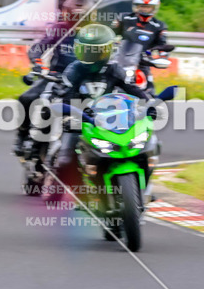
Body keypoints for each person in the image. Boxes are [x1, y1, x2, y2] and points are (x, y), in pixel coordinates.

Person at [51, 24, 156, 185]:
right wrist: (68, 116)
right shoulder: (74, 70)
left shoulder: (114, 69)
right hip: (81, 120)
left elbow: (132, 89)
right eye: (87, 51)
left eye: (99, 51)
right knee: (65, 161)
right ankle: (67, 188)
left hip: (112, 118)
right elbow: (67, 95)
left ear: (108, 51)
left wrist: (149, 104)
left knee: (142, 148)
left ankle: (142, 187)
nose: (93, 56)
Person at [13, 0, 92, 155]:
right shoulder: (58, 29)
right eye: (73, 16)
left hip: (85, 79)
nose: (77, 20)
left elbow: (111, 53)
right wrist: (38, 63)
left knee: (99, 106)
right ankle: (22, 135)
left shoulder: (95, 33)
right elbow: (39, 47)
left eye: (81, 17)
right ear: (66, 14)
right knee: (27, 98)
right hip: (57, 75)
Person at [111, 0, 172, 92]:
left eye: (148, 7)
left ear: (154, 7)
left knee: (149, 91)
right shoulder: (124, 18)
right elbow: (109, 34)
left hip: (143, 63)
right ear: (136, 6)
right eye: (142, 6)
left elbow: (162, 45)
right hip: (119, 60)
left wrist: (162, 57)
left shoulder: (159, 26)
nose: (145, 9)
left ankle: (150, 105)